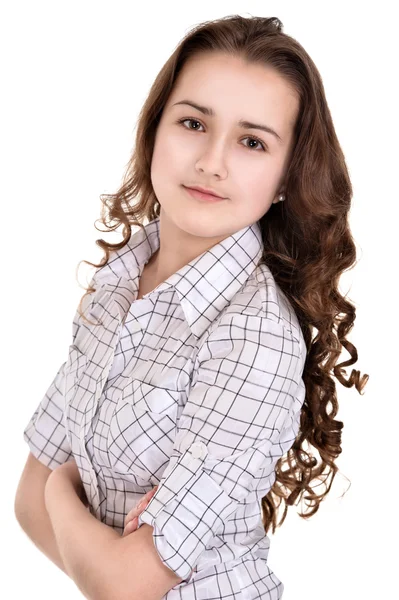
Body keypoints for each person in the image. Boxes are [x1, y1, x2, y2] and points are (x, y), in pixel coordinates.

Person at [15, 14, 369, 600]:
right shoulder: (118, 286)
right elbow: (27, 505)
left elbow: (123, 583)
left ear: (285, 179)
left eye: (252, 141)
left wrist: (62, 491)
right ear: (154, 130)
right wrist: (85, 536)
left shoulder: (252, 338)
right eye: (192, 123)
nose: (212, 161)